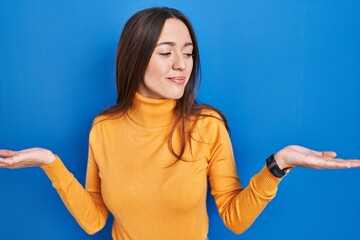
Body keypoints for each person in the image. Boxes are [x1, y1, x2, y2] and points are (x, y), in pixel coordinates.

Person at [0, 7, 359, 240]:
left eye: (187, 52)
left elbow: (234, 218)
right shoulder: (103, 129)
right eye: (166, 52)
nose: (181, 64)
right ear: (136, 57)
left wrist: (278, 165)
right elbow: (95, 221)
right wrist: (51, 163)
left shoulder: (207, 125)